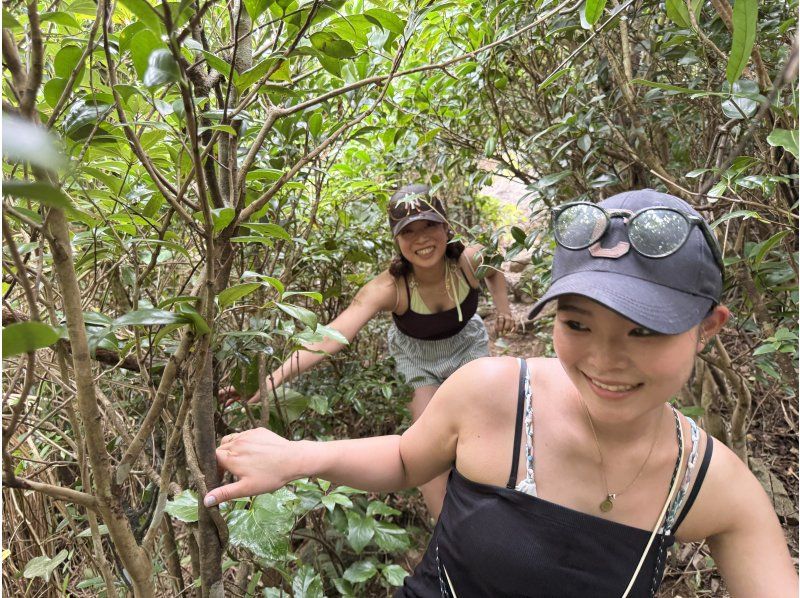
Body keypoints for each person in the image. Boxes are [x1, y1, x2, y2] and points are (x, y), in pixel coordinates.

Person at [207, 189, 798, 597]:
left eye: (645, 330)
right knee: (431, 434)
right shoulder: (471, 371)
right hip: (425, 363)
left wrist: (501, 307)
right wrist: (280, 407)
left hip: (463, 347)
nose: (605, 361)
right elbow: (348, 349)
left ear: (707, 328)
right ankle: (451, 530)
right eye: (577, 324)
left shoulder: (717, 488)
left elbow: (494, 280)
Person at [220, 183, 514, 518]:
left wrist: (504, 310)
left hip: (466, 345)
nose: (421, 239)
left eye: (430, 225)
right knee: (426, 447)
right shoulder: (388, 288)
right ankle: (444, 533)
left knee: (488, 422)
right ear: (396, 240)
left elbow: (495, 269)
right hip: (417, 360)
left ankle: (497, 503)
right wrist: (268, 383)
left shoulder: (468, 260)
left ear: (446, 226)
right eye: (409, 231)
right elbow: (330, 338)